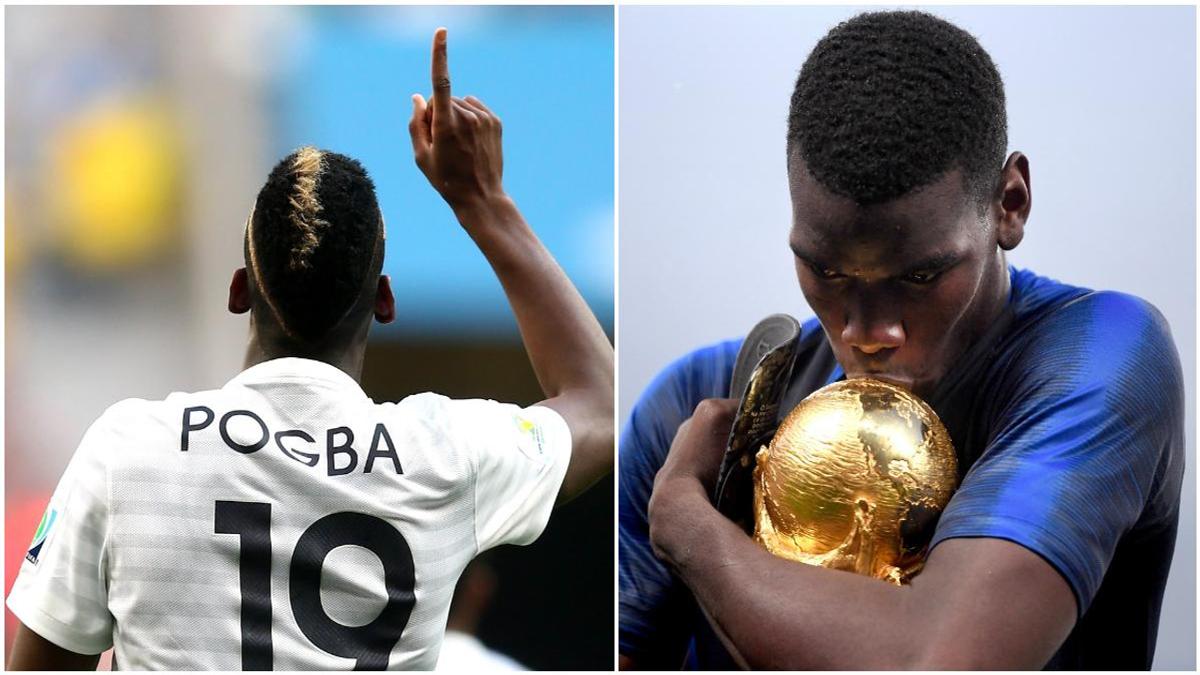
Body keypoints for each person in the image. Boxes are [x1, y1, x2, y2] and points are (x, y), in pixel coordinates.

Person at [8, 27, 613, 670]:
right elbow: (599, 403)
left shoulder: (126, 449)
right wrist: (483, 203)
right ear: (384, 302)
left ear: (239, 291)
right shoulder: (446, 455)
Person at [619, 10, 1183, 670]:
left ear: (1010, 202)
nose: (865, 331)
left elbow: (935, 660)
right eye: (825, 270)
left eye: (919, 274)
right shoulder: (702, 401)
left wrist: (691, 529)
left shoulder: (1103, 357)